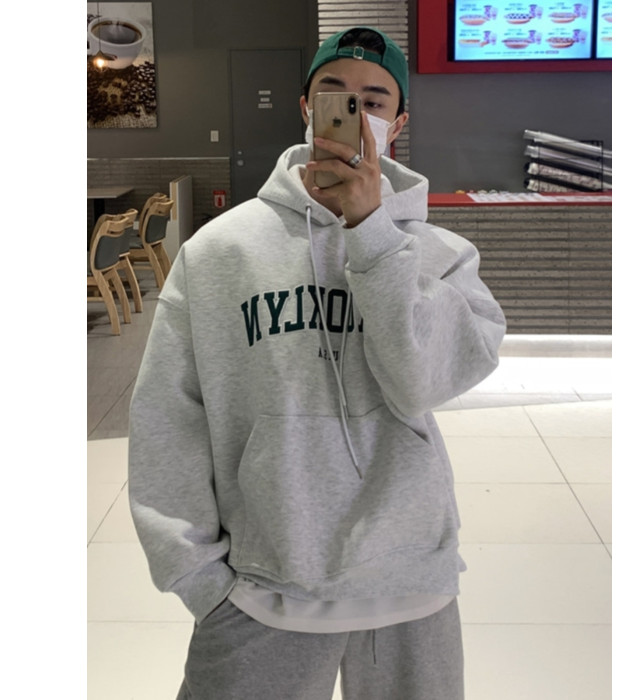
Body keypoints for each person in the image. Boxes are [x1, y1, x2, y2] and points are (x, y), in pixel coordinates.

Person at [128, 26, 507, 700]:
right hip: (260, 585)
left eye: (374, 100)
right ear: (306, 107)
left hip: (410, 587)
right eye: (335, 93)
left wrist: (371, 234)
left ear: (398, 123)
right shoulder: (220, 251)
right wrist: (196, 576)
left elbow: (419, 382)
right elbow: (167, 414)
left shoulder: (440, 255)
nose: (355, 112)